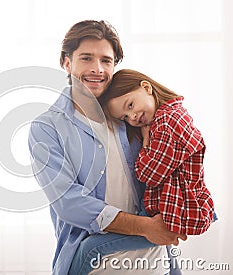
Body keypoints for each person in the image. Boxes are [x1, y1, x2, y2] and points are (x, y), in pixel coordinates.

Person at [28, 20, 187, 275]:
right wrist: (144, 227)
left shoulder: (133, 116)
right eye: (86, 58)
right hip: (94, 265)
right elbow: (69, 203)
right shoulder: (47, 128)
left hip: (155, 261)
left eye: (106, 60)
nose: (97, 69)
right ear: (67, 63)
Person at [99, 69, 216, 236]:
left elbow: (148, 175)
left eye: (130, 105)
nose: (132, 117)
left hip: (177, 212)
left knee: (89, 248)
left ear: (146, 87)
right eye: (125, 117)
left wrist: (146, 143)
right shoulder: (172, 115)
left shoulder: (167, 123)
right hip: (174, 209)